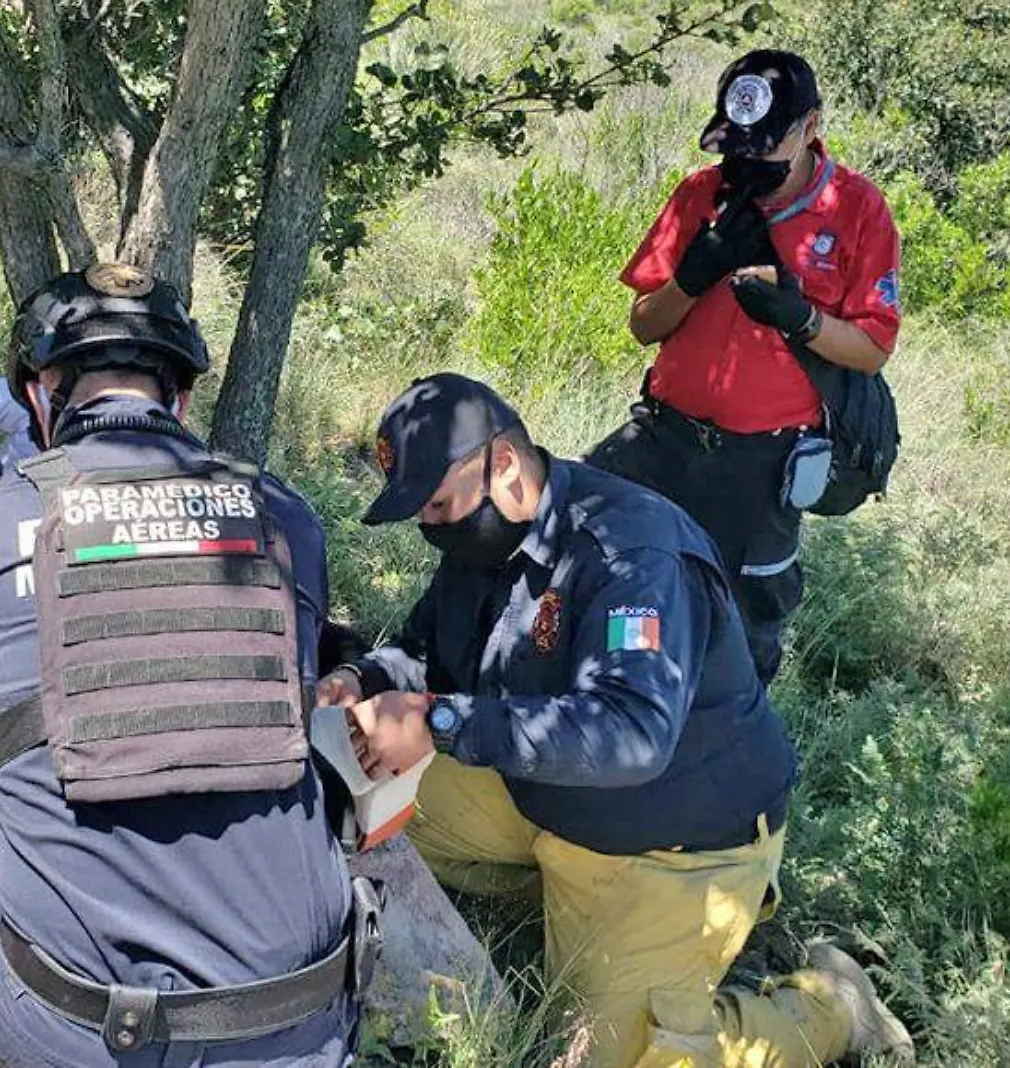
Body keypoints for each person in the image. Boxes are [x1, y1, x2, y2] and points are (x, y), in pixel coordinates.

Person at [0, 263, 371, 1068]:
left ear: (42, 397)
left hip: (83, 1035)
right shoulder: (285, 516)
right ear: (179, 400)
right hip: (304, 1022)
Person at [325, 372, 913, 1067]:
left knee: (621, 1058)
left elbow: (633, 734)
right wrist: (361, 677)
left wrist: (440, 722)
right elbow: (427, 648)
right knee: (344, 795)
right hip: (541, 795)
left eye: (437, 503)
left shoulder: (630, 555)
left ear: (504, 466)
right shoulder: (484, 538)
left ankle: (831, 1006)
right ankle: (550, 892)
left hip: (668, 839)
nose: (430, 526)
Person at [587, 49, 902, 682]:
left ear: (811, 126)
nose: (747, 162)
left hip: (758, 467)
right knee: (598, 562)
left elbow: (872, 347)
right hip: (662, 439)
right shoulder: (700, 194)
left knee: (736, 634)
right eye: (736, 146)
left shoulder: (858, 210)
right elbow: (644, 324)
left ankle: (720, 753)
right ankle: (617, 701)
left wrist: (799, 317)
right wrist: (691, 277)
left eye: (765, 146)